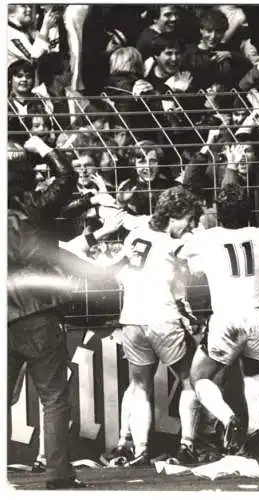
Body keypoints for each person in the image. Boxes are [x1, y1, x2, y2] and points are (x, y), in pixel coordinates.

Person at [103, 186, 203, 466]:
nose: (191, 225)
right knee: (188, 380)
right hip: (162, 318)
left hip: (132, 319)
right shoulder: (174, 244)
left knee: (139, 386)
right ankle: (187, 446)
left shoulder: (137, 233)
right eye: (189, 218)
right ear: (175, 216)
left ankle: (140, 450)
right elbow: (197, 265)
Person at [8, 135, 87, 489]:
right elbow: (67, 178)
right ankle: (58, 474)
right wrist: (46, 150)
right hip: (37, 310)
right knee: (54, 396)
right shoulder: (34, 206)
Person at [179, 183, 259, 456]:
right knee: (253, 372)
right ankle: (255, 429)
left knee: (199, 377)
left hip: (227, 318)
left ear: (219, 213)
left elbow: (188, 262)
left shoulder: (207, 238)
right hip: (258, 315)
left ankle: (228, 418)